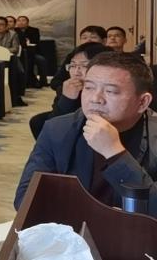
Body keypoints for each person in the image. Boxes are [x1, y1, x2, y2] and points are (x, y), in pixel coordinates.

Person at [15, 52, 157, 217]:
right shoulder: (58, 129)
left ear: (142, 102)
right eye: (88, 87)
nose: (95, 99)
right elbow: (26, 199)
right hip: (73, 228)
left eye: (110, 91)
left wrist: (115, 153)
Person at [28, 42, 112, 139]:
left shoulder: (107, 91)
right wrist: (67, 99)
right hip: (70, 127)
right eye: (73, 65)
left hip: (99, 131)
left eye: (84, 66)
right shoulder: (67, 87)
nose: (76, 72)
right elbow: (54, 124)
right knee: (38, 122)